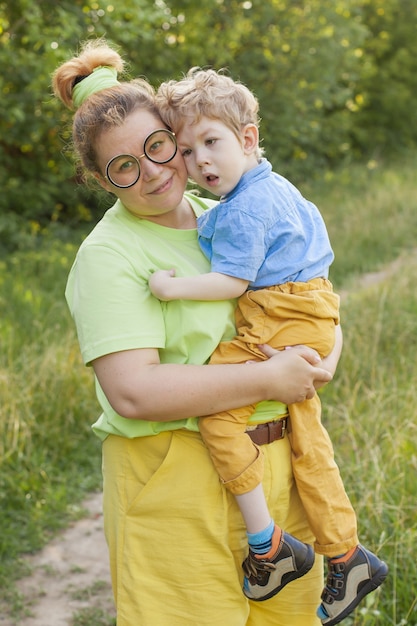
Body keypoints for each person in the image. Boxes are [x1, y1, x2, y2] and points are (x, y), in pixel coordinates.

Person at [52, 39, 341, 626]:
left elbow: (307, 290)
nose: (153, 171)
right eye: (124, 165)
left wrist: (326, 352)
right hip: (175, 483)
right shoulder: (110, 255)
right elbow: (134, 391)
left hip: (276, 471)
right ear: (101, 179)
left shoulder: (224, 217)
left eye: (159, 147)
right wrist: (270, 376)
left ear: (175, 138)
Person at [149, 68, 388, 625]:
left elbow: (233, 283)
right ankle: (347, 555)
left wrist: (171, 287)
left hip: (280, 317)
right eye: (185, 151)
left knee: (216, 415)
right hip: (310, 312)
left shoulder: (244, 209)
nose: (200, 161)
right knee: (310, 440)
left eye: (213, 142)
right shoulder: (274, 189)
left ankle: (268, 545)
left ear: (248, 139)